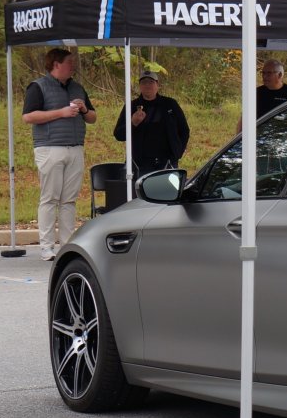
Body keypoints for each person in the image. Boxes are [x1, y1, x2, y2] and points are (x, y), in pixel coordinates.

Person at [21, 47, 98, 261]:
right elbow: (28, 117)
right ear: (56, 64)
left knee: (69, 200)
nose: (73, 66)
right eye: (69, 62)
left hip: (75, 148)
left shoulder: (78, 88)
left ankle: (67, 244)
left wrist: (83, 110)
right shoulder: (38, 87)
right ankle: (46, 247)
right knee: (50, 198)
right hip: (50, 147)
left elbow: (92, 118)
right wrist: (61, 113)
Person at [114, 70, 190, 176]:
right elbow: (118, 135)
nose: (147, 85)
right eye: (144, 82)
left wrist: (178, 153)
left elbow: (184, 130)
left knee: (167, 192)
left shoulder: (170, 104)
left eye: (151, 82)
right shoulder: (131, 106)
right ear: (139, 86)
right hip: (140, 164)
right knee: (139, 192)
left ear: (157, 84)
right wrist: (133, 123)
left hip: (167, 162)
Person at [238, 58, 287, 132]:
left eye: (269, 73)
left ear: (280, 75)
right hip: (259, 137)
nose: (264, 76)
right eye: (263, 73)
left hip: (283, 137)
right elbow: (244, 117)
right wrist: (239, 136)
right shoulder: (256, 92)